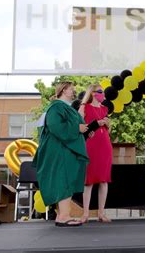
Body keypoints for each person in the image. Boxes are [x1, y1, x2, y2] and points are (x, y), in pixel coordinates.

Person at [33, 81, 89, 227]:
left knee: (65, 180)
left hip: (65, 149)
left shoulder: (65, 107)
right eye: (71, 89)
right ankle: (64, 215)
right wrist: (77, 128)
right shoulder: (56, 107)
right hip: (60, 149)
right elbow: (56, 126)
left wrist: (85, 130)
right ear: (64, 90)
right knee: (64, 181)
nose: (74, 91)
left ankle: (62, 215)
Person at [78, 84, 113, 223]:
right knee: (89, 181)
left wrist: (107, 124)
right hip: (90, 145)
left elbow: (107, 130)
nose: (102, 94)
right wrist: (94, 124)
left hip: (105, 145)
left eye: (102, 92)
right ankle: (85, 213)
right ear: (92, 93)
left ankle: (101, 213)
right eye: (99, 92)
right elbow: (79, 126)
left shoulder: (105, 109)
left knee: (104, 180)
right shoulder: (84, 107)